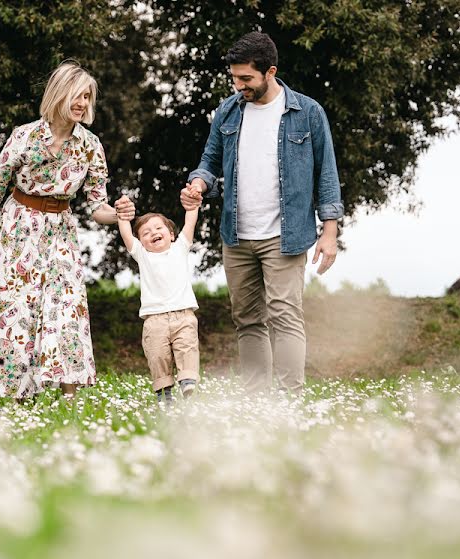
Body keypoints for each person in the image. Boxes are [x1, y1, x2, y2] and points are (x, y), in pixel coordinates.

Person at [180, 32, 343, 396]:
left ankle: (289, 399)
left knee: (285, 316)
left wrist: (329, 233)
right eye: (235, 79)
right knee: (248, 320)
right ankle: (256, 401)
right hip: (236, 234)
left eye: (246, 79)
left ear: (270, 71)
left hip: (285, 236)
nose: (239, 86)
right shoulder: (228, 110)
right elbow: (209, 160)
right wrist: (199, 184)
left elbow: (326, 174)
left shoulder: (308, 113)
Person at [0, 61, 134, 400]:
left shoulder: (90, 145)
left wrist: (117, 214)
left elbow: (97, 205)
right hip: (19, 228)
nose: (82, 103)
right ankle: (17, 394)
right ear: (59, 93)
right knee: (16, 309)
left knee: (65, 307)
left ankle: (68, 397)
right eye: (77, 95)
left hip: (62, 231)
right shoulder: (24, 136)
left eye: (87, 97)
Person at [116, 199, 200, 402]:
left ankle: (188, 381)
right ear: (141, 242)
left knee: (187, 348)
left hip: (184, 316)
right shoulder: (143, 256)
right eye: (145, 233)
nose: (153, 233)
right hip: (155, 321)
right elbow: (127, 235)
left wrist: (192, 207)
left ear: (171, 234)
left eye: (158, 228)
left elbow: (190, 224)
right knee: (157, 356)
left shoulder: (180, 247)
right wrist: (122, 216)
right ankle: (164, 393)